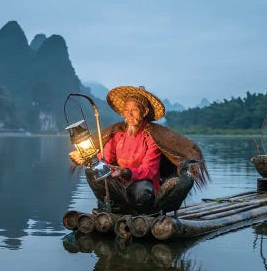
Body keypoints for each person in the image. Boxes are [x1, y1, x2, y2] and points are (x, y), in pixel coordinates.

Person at [70, 85, 209, 214]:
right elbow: (104, 159)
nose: (129, 114)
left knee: (142, 191)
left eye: (134, 110)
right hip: (120, 186)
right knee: (92, 172)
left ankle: (142, 214)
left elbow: (149, 170)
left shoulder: (151, 138)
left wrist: (125, 171)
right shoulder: (117, 135)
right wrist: (87, 159)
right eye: (126, 110)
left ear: (144, 112)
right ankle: (113, 207)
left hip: (141, 187)